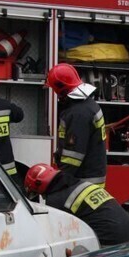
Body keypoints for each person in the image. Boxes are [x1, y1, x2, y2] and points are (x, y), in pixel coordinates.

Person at [44, 62, 109, 217]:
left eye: (55, 90)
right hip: (91, 178)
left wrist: (58, 183)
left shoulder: (78, 113)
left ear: (62, 89)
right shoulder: (88, 105)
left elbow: (73, 157)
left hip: (84, 181)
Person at [24, 163, 129, 246]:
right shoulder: (79, 183)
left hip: (111, 240)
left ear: (39, 185)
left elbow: (57, 236)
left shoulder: (57, 200)